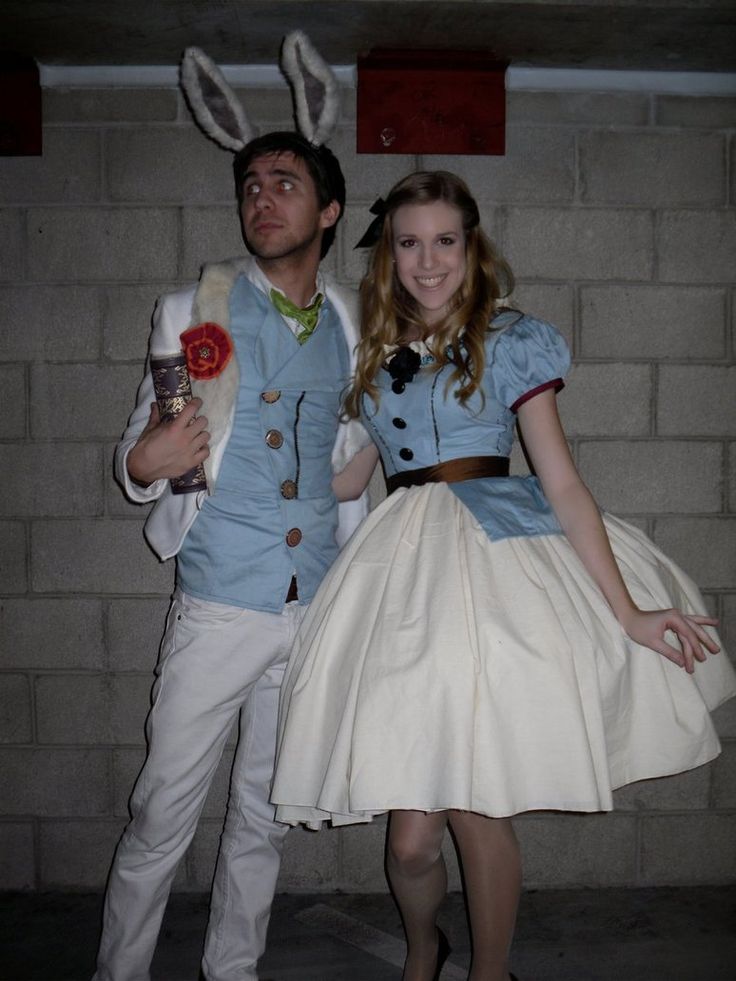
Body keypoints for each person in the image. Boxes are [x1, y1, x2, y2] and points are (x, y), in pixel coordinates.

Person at [271, 170, 736, 981]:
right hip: (403, 579)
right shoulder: (376, 354)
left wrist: (627, 612)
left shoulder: (511, 338)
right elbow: (348, 478)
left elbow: (560, 480)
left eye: (444, 240)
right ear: (390, 254)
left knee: (480, 798)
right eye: (409, 242)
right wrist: (244, 461)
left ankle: (491, 973)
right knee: (412, 834)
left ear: (471, 245)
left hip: (494, 559)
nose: (427, 260)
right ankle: (424, 947)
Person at [93, 131, 369, 981]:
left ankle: (233, 969)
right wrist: (145, 463)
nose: (261, 197)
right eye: (250, 184)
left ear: (326, 212)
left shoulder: (354, 320)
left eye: (285, 183)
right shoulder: (195, 309)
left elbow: (345, 458)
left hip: (310, 606)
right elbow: (142, 452)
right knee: (160, 811)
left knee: (263, 812)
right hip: (218, 604)